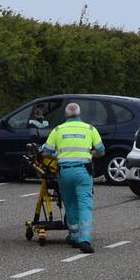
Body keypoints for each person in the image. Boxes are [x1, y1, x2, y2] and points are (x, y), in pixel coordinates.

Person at [41, 102, 104, 253]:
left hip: (65, 172)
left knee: (70, 205)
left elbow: (46, 153)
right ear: (79, 115)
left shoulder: (58, 130)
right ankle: (85, 241)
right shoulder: (90, 129)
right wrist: (91, 154)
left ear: (65, 115)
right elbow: (101, 151)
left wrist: (60, 155)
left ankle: (74, 237)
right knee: (84, 205)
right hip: (83, 172)